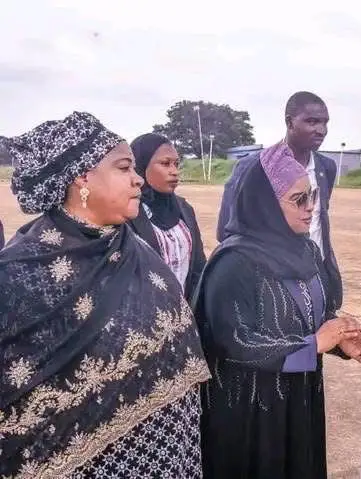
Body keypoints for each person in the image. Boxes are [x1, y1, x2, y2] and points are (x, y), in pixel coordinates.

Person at [0, 112, 210, 478]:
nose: (137, 179)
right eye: (124, 168)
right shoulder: (20, 272)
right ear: (82, 177)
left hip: (165, 453)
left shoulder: (134, 248)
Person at [193, 140, 361, 478]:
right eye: (298, 199)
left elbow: (311, 318)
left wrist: (339, 340)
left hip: (299, 401)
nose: (311, 207)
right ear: (263, 203)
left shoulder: (306, 251)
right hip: (252, 416)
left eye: (313, 196)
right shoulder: (233, 263)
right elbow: (233, 342)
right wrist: (313, 345)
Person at [216, 91, 342, 306]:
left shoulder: (326, 168)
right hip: (270, 277)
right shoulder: (254, 167)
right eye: (312, 122)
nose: (321, 130)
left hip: (314, 271)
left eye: (324, 122)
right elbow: (227, 230)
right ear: (289, 122)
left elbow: (318, 220)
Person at [128, 132, 206, 300]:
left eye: (176, 164)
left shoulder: (184, 209)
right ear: (140, 166)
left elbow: (198, 267)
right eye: (165, 163)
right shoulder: (126, 212)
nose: (174, 171)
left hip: (185, 311)